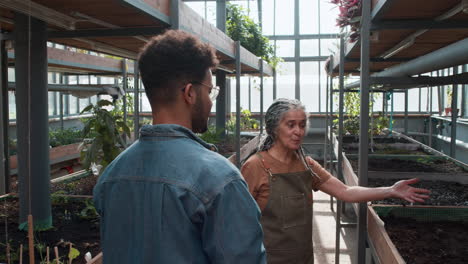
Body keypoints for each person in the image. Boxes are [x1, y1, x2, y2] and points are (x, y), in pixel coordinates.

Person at [94, 30, 266, 263]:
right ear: (190, 93)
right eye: (210, 91)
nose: (210, 101)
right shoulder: (219, 179)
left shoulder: (111, 175)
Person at [241, 98, 430, 264]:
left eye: (302, 124)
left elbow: (345, 192)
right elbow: (239, 223)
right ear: (273, 128)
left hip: (303, 258)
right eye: (291, 125)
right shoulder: (256, 166)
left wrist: (390, 190)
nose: (298, 131)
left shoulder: (306, 165)